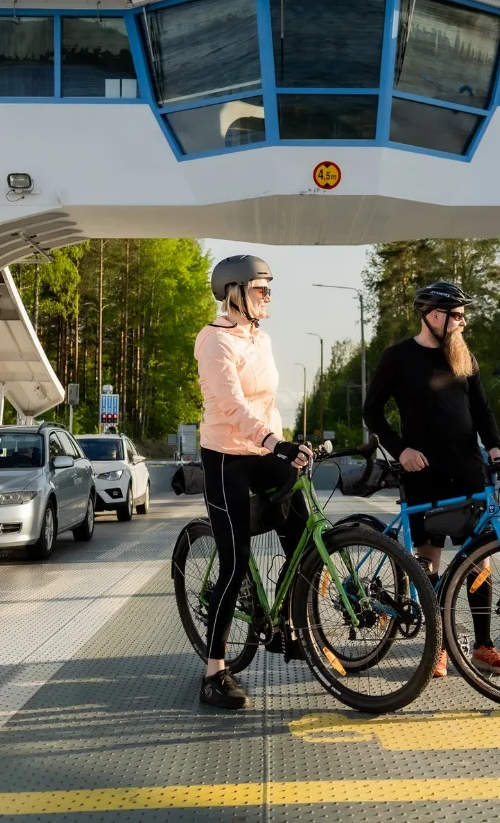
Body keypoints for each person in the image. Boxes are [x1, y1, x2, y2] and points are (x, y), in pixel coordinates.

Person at [363, 281, 500, 679]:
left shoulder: (463, 356)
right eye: (456, 315)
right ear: (432, 316)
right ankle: (437, 647)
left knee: (478, 560)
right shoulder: (397, 357)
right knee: (428, 560)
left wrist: (496, 449)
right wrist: (401, 450)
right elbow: (373, 412)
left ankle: (483, 646)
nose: (462, 322)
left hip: (468, 470)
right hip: (423, 472)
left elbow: (482, 411)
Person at [193, 254, 313, 710]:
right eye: (261, 289)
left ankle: (289, 624)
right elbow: (230, 405)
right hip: (227, 456)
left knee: (302, 540)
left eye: (269, 289)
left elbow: (267, 403)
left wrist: (286, 445)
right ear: (234, 294)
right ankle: (214, 671)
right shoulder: (214, 341)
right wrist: (270, 441)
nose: (268, 297)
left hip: (265, 448)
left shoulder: (260, 339)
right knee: (236, 562)